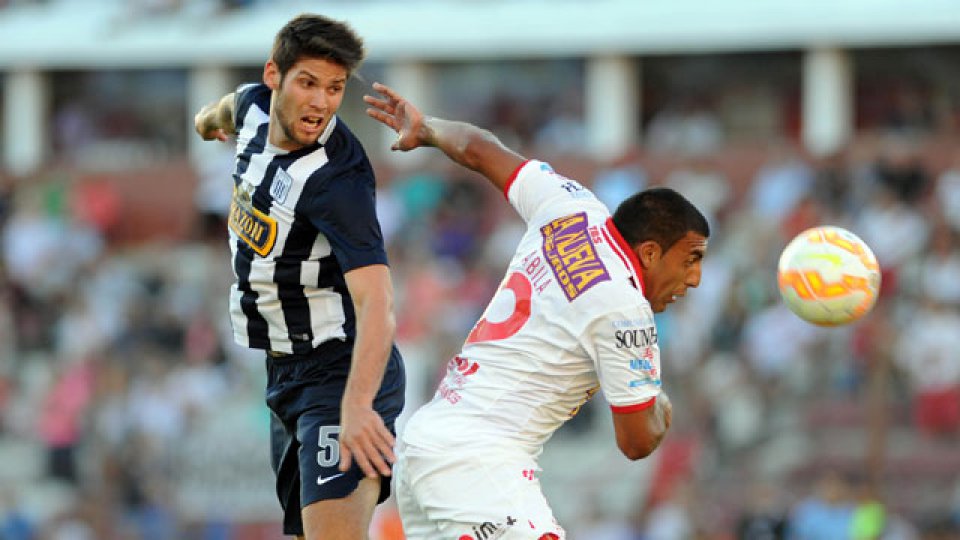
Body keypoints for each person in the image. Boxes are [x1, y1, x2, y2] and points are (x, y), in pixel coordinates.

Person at [365, 82, 709, 539]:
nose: (694, 279)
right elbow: (636, 441)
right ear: (648, 252)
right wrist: (659, 408)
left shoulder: (572, 207)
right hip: (479, 461)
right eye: (689, 260)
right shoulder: (624, 308)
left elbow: (477, 148)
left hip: (429, 442)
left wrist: (426, 127)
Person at [192, 14, 405, 540]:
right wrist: (206, 121)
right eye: (308, 83)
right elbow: (227, 107)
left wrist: (356, 405)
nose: (321, 103)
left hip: (341, 372)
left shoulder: (338, 179)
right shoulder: (252, 109)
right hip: (284, 374)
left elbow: (378, 302)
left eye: (334, 89)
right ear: (274, 76)